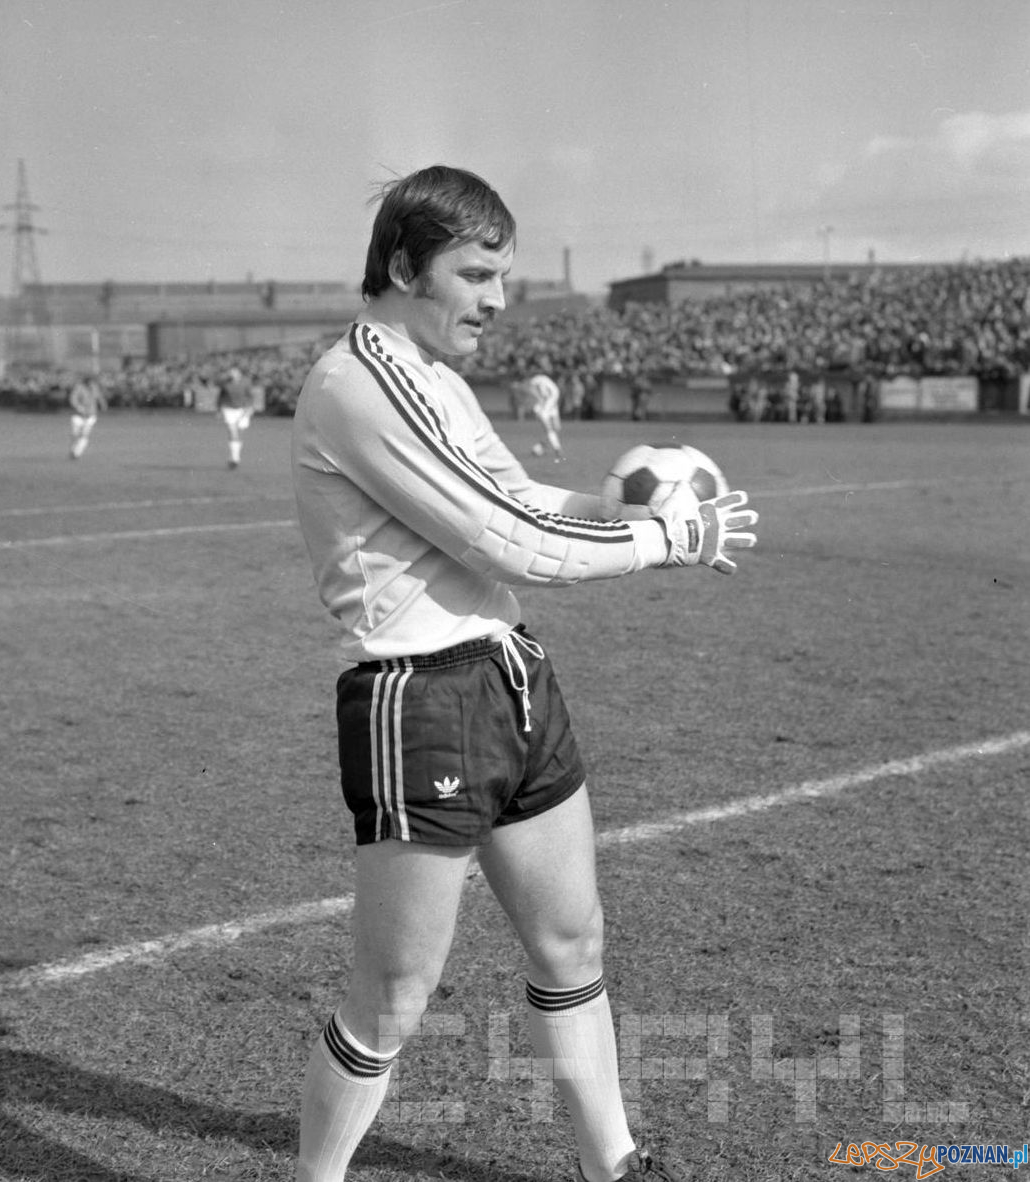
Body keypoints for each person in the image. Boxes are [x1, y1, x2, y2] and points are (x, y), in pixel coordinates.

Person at [291, 167, 758, 1181]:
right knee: (395, 995)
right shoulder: (356, 384)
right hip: (416, 701)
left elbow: (515, 496)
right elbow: (508, 544)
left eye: (504, 273)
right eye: (477, 273)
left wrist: (616, 510)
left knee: (571, 942)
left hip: (509, 678)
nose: (498, 298)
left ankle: (612, 1165)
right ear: (405, 265)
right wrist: (663, 543)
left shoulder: (435, 377)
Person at [512, 370, 565, 460]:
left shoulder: (533, 382)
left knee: (555, 428)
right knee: (551, 428)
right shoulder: (541, 379)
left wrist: (540, 401)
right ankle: (557, 449)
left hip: (547, 403)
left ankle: (540, 447)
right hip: (550, 402)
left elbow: (533, 391)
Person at [216, 365, 257, 468]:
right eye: (231, 371)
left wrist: (250, 408)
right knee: (232, 431)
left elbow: (250, 396)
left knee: (239, 434)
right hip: (228, 409)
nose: (232, 373)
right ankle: (235, 458)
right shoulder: (225, 383)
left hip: (242, 410)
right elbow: (220, 397)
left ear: (239, 373)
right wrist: (219, 410)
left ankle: (234, 456)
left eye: (234, 371)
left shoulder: (246, 382)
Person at [68, 374, 107, 459]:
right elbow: (73, 399)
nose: (91, 383)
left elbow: (99, 397)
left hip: (90, 415)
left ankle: (77, 453)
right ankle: (73, 449)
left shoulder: (94, 388)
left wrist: (103, 405)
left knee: (85, 435)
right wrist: (79, 407)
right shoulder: (79, 388)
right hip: (78, 416)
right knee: (75, 435)